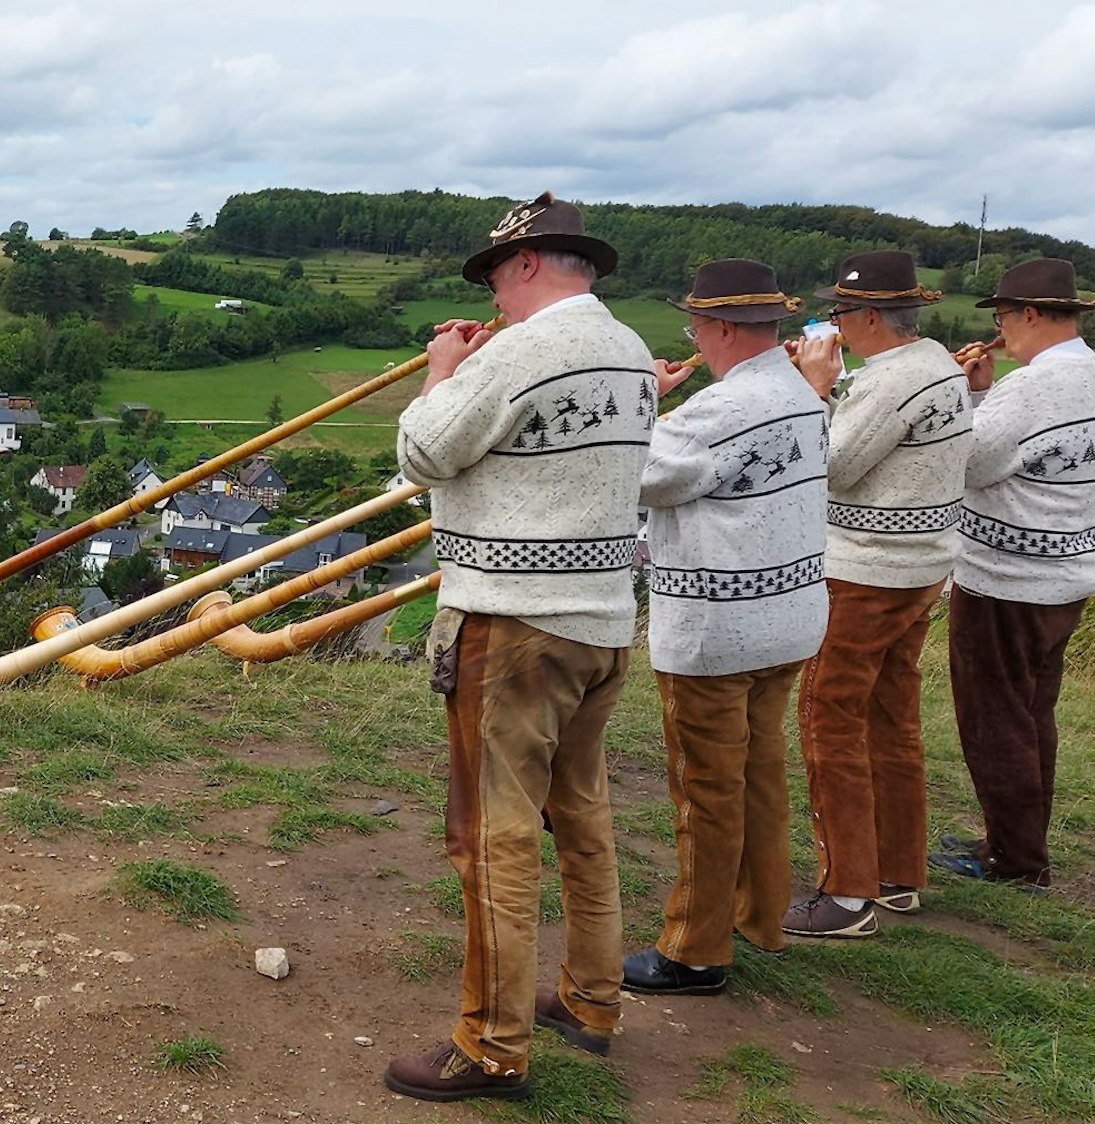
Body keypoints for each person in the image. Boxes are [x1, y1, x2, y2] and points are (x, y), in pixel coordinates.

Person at [384, 192, 653, 1103]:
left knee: (490, 837)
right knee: (580, 819)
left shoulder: (528, 350)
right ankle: (590, 1000)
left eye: (497, 275)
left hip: (513, 626)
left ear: (530, 264)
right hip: (603, 623)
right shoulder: (626, 347)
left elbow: (423, 451)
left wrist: (442, 370)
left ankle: (491, 1046)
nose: (493, 295)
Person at [623, 260, 830, 994]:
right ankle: (759, 915)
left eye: (695, 329)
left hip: (719, 628)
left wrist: (643, 397)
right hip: (789, 615)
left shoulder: (720, 410)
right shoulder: (800, 393)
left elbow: (632, 471)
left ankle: (694, 949)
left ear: (713, 329)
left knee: (705, 790)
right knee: (757, 774)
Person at [783, 250, 973, 938]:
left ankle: (845, 894)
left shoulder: (887, 381)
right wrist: (835, 393)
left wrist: (812, 389)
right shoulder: (937, 366)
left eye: (837, 312)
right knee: (890, 720)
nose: (830, 323)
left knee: (827, 717)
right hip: (920, 565)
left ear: (866, 316)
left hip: (864, 570)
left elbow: (832, 466)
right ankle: (896, 874)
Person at [931, 258, 1095, 890]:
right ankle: (1015, 838)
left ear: (1029, 314)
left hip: (1006, 578)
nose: (1000, 329)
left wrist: (964, 393)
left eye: (1001, 316)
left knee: (993, 719)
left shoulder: (1030, 388)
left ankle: (1015, 861)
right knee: (1032, 716)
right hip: (1067, 572)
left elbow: (969, 464)